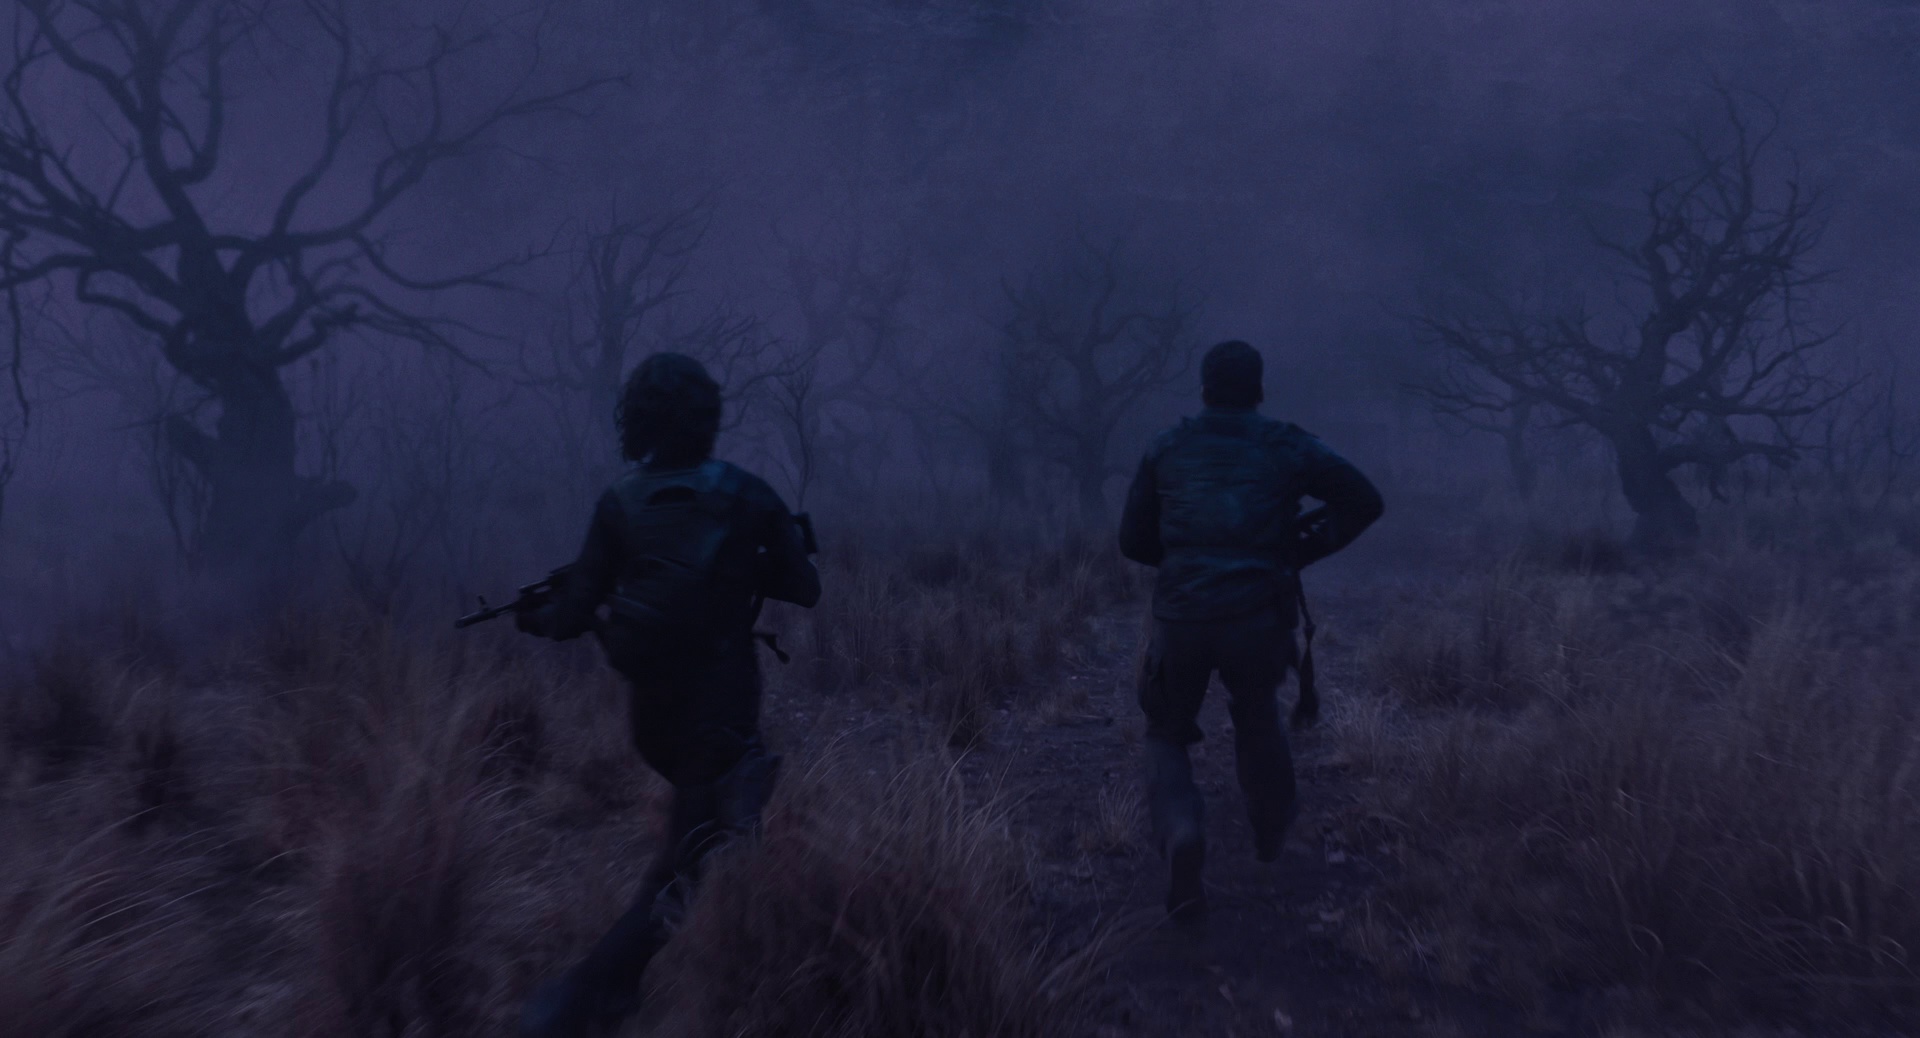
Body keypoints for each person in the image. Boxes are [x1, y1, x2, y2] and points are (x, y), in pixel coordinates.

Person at [514, 352, 822, 1037]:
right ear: (708, 416)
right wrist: (749, 567)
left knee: (722, 831)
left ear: (640, 421)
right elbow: (805, 588)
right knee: (691, 855)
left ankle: (753, 948)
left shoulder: (619, 503)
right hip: (722, 708)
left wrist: (533, 617)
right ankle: (584, 999)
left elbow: (570, 615)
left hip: (653, 718)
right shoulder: (747, 493)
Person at [1117, 340, 1383, 921]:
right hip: (1258, 614)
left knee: (1165, 733)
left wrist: (1189, 558)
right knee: (1258, 713)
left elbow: (1132, 541)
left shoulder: (1166, 446)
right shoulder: (1286, 444)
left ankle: (1182, 830)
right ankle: (1269, 828)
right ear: (1259, 389)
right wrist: (1294, 550)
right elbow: (1364, 500)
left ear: (1204, 388)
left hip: (1182, 618)